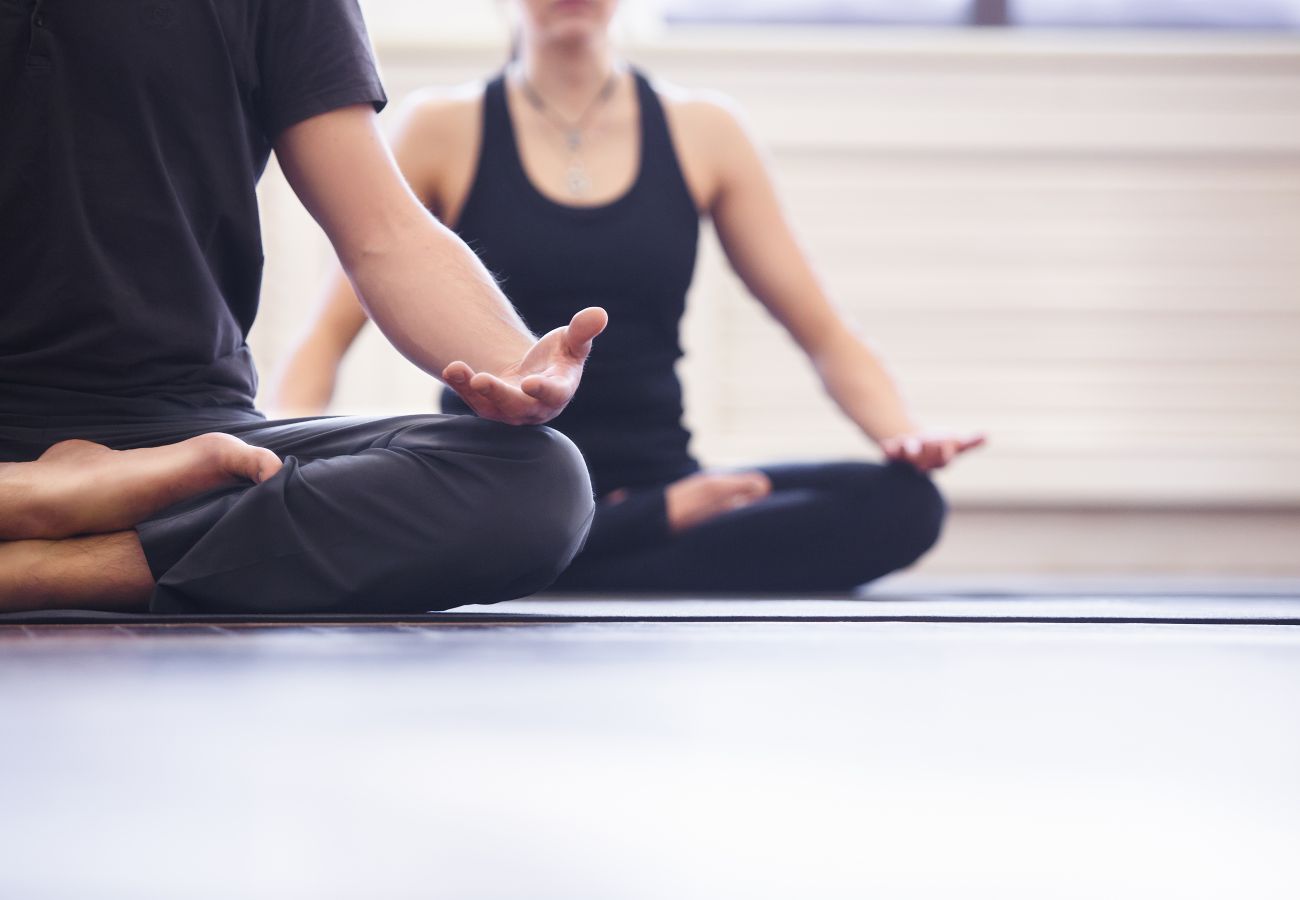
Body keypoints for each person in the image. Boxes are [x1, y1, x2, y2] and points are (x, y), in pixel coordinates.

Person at [272, 0, 986, 593]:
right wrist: (279, 484)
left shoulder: (705, 131)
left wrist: (901, 435)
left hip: (661, 478)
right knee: (488, 520)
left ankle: (579, 556)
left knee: (904, 506)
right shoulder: (440, 128)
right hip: (503, 488)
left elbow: (822, 331)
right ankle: (623, 538)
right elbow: (326, 338)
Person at [0, 0, 608, 614]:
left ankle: (36, 566)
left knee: (535, 485)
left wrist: (512, 365)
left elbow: (382, 233)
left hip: (180, 446)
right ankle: (30, 497)